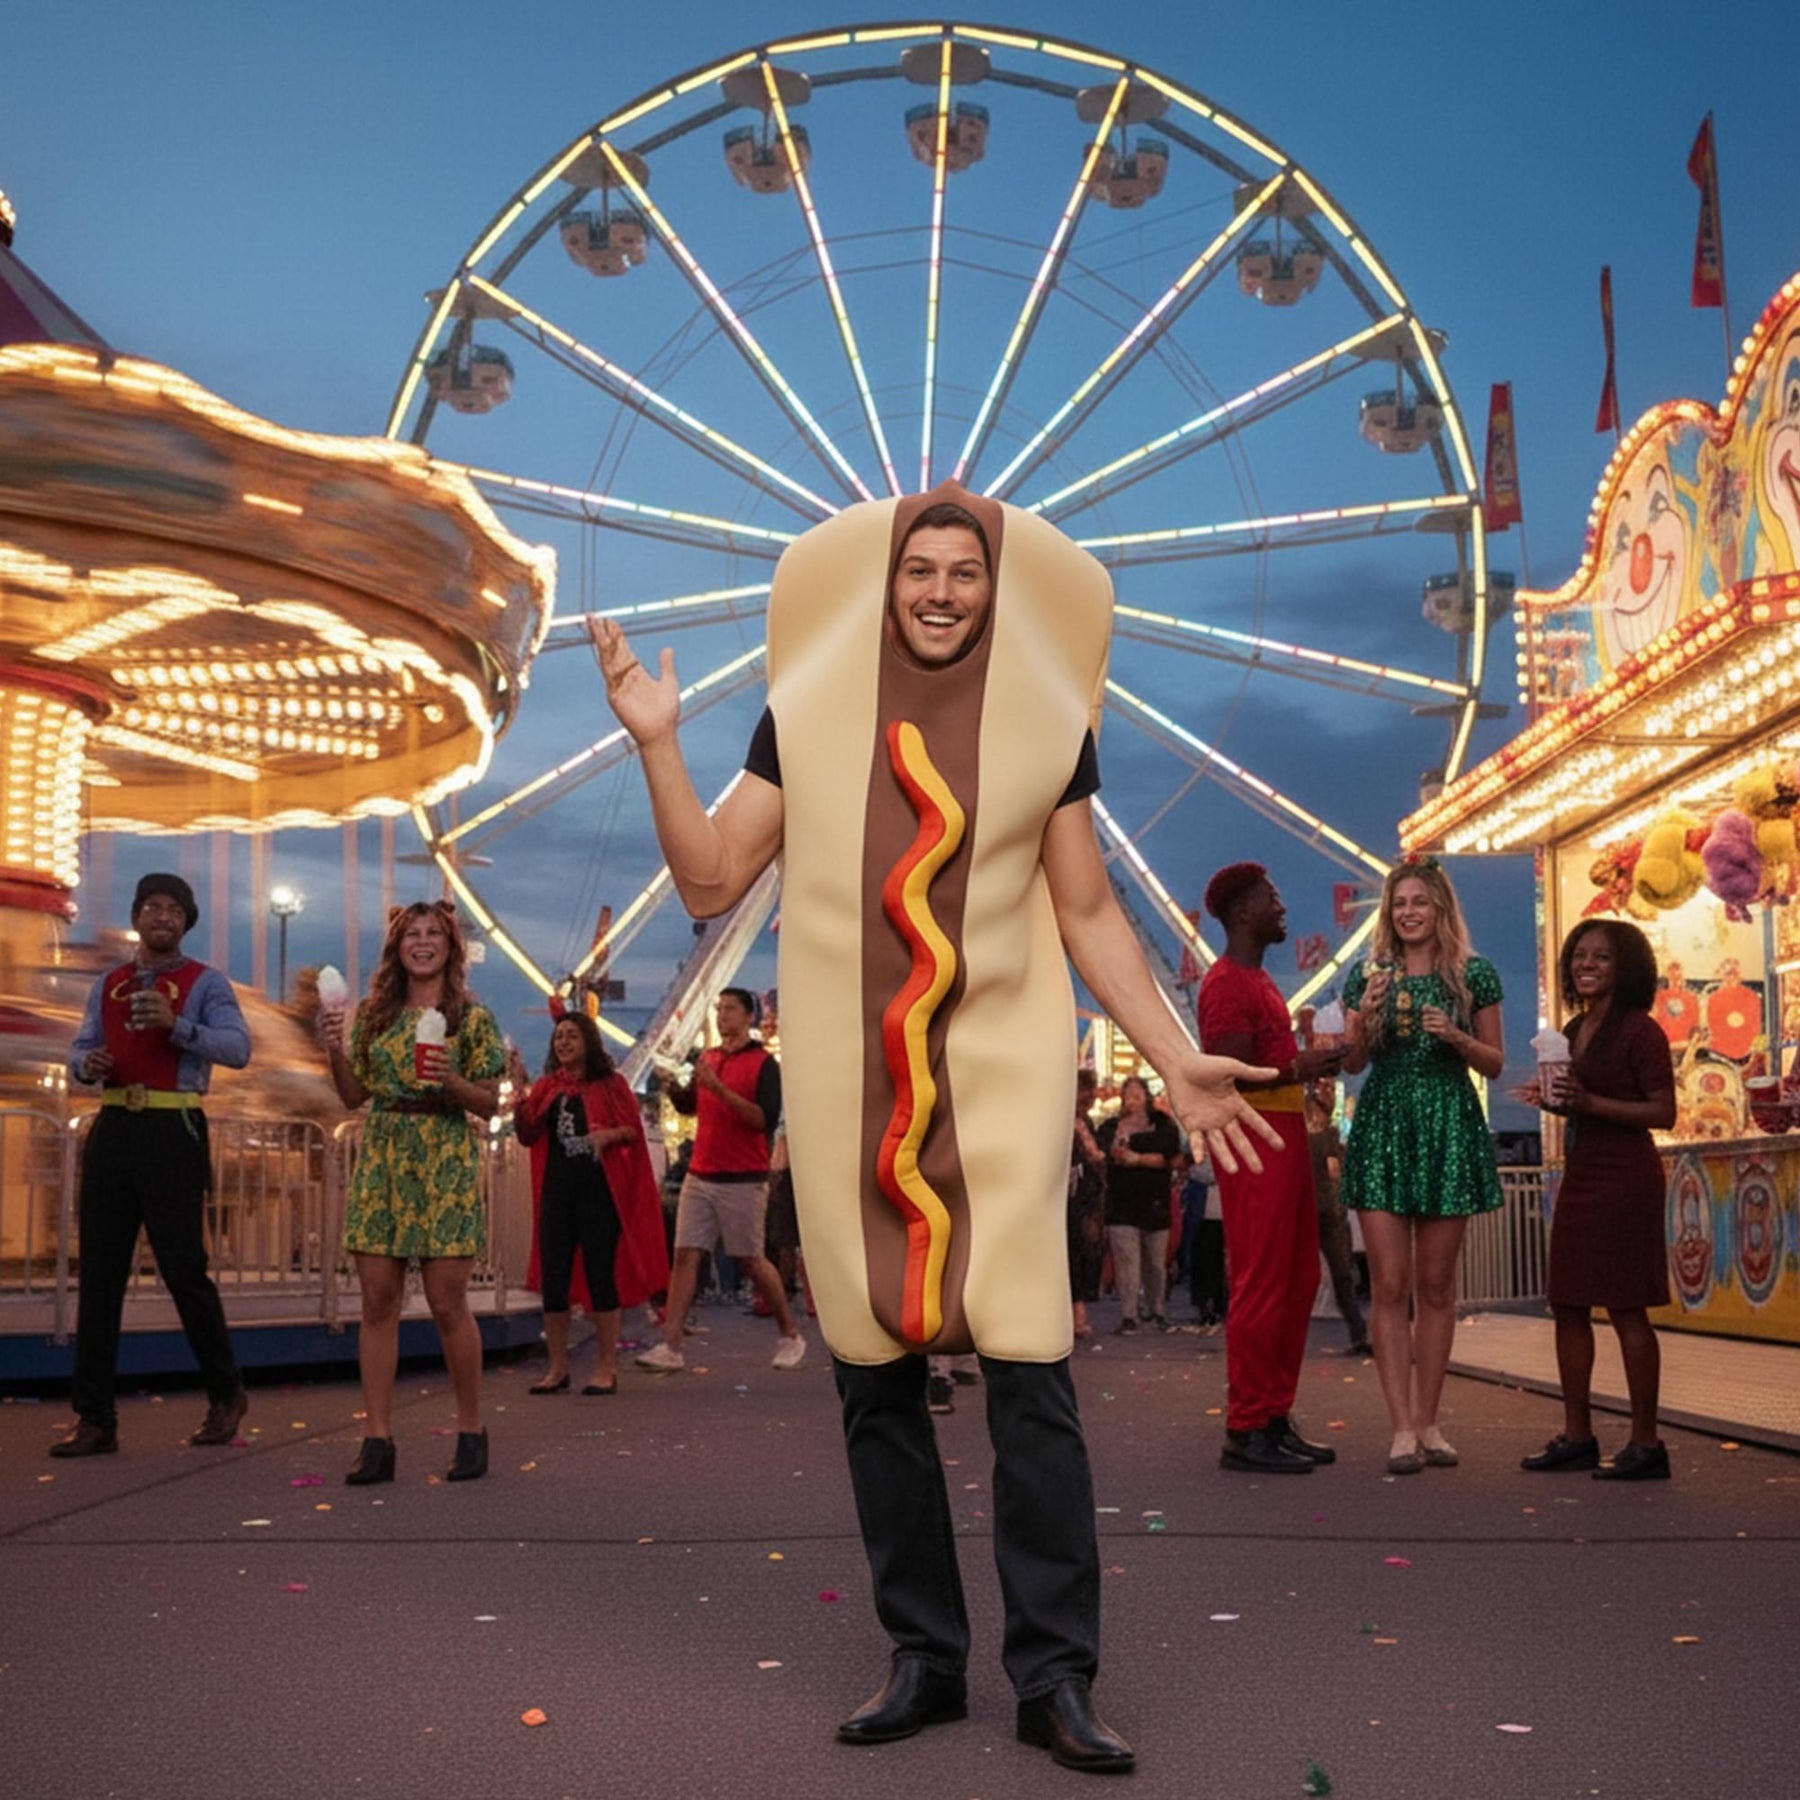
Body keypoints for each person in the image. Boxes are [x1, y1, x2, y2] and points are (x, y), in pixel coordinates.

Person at [597, 484, 1276, 1774]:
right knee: (871, 1377)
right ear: (887, 581)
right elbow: (706, 878)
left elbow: (1083, 911)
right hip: (856, 1075)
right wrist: (655, 742)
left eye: (968, 571)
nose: (945, 591)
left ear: (995, 585)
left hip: (1004, 1070)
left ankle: (1055, 1675)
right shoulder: (805, 709)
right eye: (923, 570)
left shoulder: (1050, 722)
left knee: (1031, 1373)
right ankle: (922, 1654)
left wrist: (1178, 1055)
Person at [52, 874, 251, 1458]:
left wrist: (177, 1026)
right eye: (151, 907)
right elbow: (77, 1051)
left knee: (184, 1268)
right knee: (101, 1275)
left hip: (173, 1128)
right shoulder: (107, 984)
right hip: (114, 1127)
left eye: (172, 909)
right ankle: (94, 1418)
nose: (161, 916)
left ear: (186, 922)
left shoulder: (206, 983)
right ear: (137, 917)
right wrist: (88, 1063)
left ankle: (225, 1392)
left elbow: (238, 1049)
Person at [321, 901, 504, 1485]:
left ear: (450, 947)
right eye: (411, 935)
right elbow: (353, 1095)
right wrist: (332, 1046)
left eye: (433, 934)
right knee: (378, 1303)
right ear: (397, 948)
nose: (422, 943)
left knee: (449, 1302)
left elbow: (491, 1100)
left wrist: (450, 1080)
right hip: (384, 1154)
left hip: (444, 1155)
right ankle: (377, 1439)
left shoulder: (471, 1018)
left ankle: (471, 1429)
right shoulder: (375, 1016)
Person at [1340, 858, 1504, 1475]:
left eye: (1419, 902)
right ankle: (1400, 1425)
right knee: (1389, 1283)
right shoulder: (1367, 976)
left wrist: (1457, 1038)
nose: (1408, 912)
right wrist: (1369, 1013)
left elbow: (1493, 1062)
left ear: (1439, 909)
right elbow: (1353, 1063)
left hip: (1447, 1120)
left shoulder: (1474, 975)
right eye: (1398, 903)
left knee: (1437, 1286)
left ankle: (1431, 1420)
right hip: (1384, 1121)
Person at [1197, 863, 1344, 1474]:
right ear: (1241, 913)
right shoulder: (1226, 982)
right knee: (1262, 1280)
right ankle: (1245, 1425)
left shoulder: (1257, 980)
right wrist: (1310, 1066)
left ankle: (1274, 1414)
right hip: (1256, 1137)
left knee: (1298, 1277)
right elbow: (1233, 1071)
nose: (1282, 906)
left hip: (1283, 1136)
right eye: (1272, 898)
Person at [1517, 920, 1676, 1480]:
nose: (1586, 964)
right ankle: (1577, 1434)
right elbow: (1581, 1104)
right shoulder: (1575, 1028)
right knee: (1568, 1302)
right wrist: (1553, 1100)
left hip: (1626, 1176)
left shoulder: (1641, 1032)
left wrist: (1589, 1100)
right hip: (1582, 1172)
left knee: (1627, 1306)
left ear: (1625, 966)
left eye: (1601, 958)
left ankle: (1646, 1442)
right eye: (1579, 955)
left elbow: (1663, 1112)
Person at [634, 987, 805, 1372]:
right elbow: (693, 1106)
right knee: (685, 1256)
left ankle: (790, 1332)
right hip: (701, 1172)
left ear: (749, 1017)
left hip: (742, 1177)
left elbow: (762, 1118)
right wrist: (672, 1086)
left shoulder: (764, 1065)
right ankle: (671, 1346)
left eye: (730, 1009)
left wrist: (718, 1088)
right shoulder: (709, 1059)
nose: (722, 1015)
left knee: (750, 1259)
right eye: (719, 1009)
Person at [515, 1007, 669, 1394]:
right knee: (554, 1279)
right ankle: (557, 1368)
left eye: (572, 1035)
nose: (563, 1042)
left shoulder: (611, 1085)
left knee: (602, 1276)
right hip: (557, 1190)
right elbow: (527, 1134)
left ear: (588, 1042)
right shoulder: (549, 1088)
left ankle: (604, 1368)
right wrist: (520, 1094)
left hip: (600, 1193)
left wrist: (607, 1137)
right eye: (559, 1036)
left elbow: (632, 1131)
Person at [1097, 1076, 1181, 1333]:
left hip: (1154, 1201)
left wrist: (1139, 1159)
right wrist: (1120, 1145)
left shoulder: (1162, 1125)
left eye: (1137, 1094)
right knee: (1127, 1261)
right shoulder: (1111, 1126)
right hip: (1122, 1202)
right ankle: (1129, 1314)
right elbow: (1105, 1155)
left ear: (1146, 1096)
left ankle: (1157, 1309)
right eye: (1128, 1094)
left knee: (1156, 1262)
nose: (1132, 1099)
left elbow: (1170, 1157)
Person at [1305, 1085, 1370, 1356]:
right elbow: (1334, 1169)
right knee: (1342, 1274)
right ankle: (1358, 1334)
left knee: (1298, 1275)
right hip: (1332, 1211)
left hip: (1306, 1210)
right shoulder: (1331, 1137)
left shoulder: (1300, 1139)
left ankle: (1280, 1336)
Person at [1068, 1069, 1107, 1340]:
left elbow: (1097, 1158)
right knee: (1070, 1255)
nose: (1087, 1097)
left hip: (1085, 1198)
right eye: (1082, 1090)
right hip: (1065, 1200)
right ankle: (1074, 1315)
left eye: (1090, 1091)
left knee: (1082, 1255)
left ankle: (1077, 1313)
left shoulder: (1086, 1123)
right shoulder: (1064, 1122)